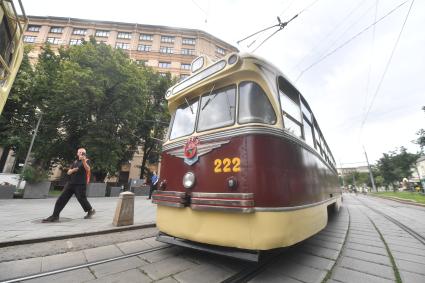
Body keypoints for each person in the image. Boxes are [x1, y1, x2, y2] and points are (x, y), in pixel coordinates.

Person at [43, 148, 95, 222]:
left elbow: (88, 169)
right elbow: (68, 172)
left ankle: (90, 210)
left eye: (83, 153)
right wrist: (73, 170)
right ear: (77, 153)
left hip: (80, 184)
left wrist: (83, 161)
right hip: (70, 183)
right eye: (80, 152)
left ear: (85, 154)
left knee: (81, 199)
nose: (81, 154)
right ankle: (55, 216)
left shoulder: (87, 161)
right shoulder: (75, 162)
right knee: (61, 198)